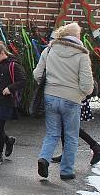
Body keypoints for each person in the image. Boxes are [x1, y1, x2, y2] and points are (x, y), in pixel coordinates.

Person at [34, 22, 95, 180]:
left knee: (52, 134)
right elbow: (87, 85)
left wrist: (49, 87)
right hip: (72, 99)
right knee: (71, 136)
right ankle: (66, 171)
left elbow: (37, 74)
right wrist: (81, 94)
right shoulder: (82, 54)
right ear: (76, 37)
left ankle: (44, 158)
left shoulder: (49, 50)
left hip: (50, 97)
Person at [50, 96, 100, 166]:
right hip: (69, 97)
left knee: (70, 126)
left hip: (74, 98)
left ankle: (96, 147)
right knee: (65, 125)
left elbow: (86, 86)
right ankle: (66, 154)